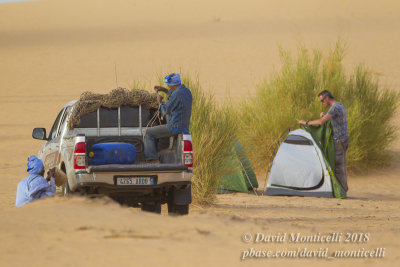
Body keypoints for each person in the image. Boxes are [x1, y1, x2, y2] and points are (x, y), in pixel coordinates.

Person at [299, 90, 350, 192]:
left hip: (339, 140)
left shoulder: (334, 107)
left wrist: (306, 122)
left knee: (339, 167)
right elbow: (333, 119)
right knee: (340, 165)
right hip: (344, 139)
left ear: (327, 98)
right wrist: (325, 115)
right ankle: (341, 188)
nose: (322, 103)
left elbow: (321, 122)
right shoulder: (339, 106)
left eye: (322, 100)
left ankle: (342, 190)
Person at [144, 73, 192, 163]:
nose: (168, 87)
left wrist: (159, 102)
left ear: (173, 84)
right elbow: (174, 96)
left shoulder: (176, 94)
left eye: (169, 85)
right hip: (183, 127)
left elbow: (165, 110)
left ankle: (153, 159)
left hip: (174, 127)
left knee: (148, 133)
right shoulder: (186, 91)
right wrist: (163, 90)